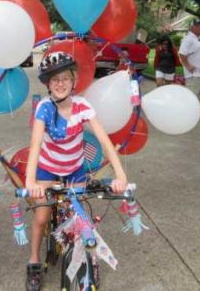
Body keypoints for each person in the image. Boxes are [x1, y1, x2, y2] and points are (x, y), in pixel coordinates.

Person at [24, 51, 128, 289]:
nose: (60, 84)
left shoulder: (83, 106)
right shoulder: (44, 107)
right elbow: (36, 144)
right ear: (48, 84)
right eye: (54, 79)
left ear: (73, 82)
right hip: (47, 170)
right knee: (41, 217)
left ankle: (83, 260)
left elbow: (104, 141)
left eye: (65, 79)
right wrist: (31, 180)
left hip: (74, 170)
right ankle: (34, 261)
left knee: (80, 219)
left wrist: (120, 175)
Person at [179, 20, 200, 98]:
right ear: (192, 27)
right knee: (192, 97)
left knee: (197, 97)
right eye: (198, 26)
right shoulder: (188, 39)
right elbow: (182, 54)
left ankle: (195, 110)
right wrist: (188, 66)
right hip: (194, 74)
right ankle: (189, 110)